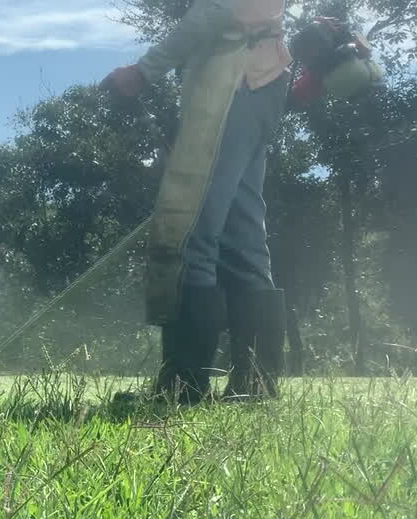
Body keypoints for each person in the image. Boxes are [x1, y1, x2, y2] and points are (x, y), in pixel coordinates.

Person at [102, 0, 293, 404]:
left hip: (232, 86)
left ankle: (182, 386)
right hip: (257, 84)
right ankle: (255, 386)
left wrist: (143, 70)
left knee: (191, 232)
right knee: (244, 241)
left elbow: (219, 12)